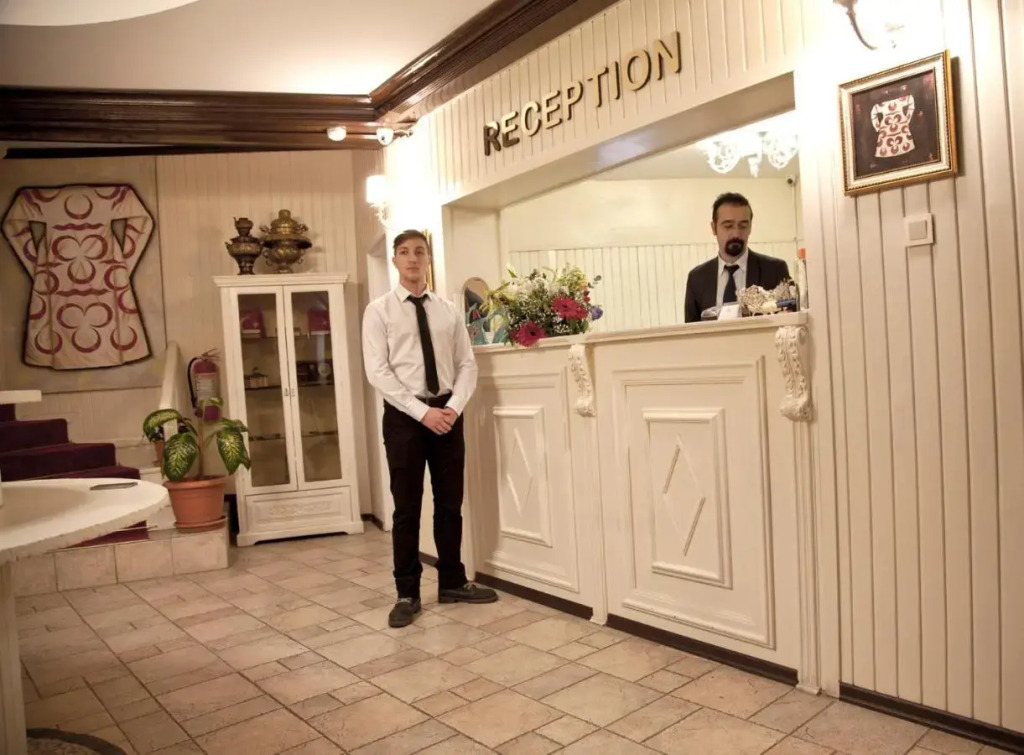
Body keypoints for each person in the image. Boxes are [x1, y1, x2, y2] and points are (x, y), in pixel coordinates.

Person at [362, 229, 498, 628]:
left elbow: (466, 364)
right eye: (404, 252)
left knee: (450, 503)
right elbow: (378, 372)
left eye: (419, 252)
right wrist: (422, 412)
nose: (412, 258)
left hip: (448, 416)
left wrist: (452, 408)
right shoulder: (379, 311)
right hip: (404, 417)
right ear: (394, 260)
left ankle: (452, 581)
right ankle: (407, 593)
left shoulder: (448, 310)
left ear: (427, 259)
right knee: (406, 508)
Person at [683, 192, 792, 323]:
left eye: (743, 226)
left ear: (750, 227)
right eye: (728, 226)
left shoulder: (775, 270)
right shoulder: (697, 278)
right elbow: (691, 331)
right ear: (714, 228)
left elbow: (789, 321)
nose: (736, 233)